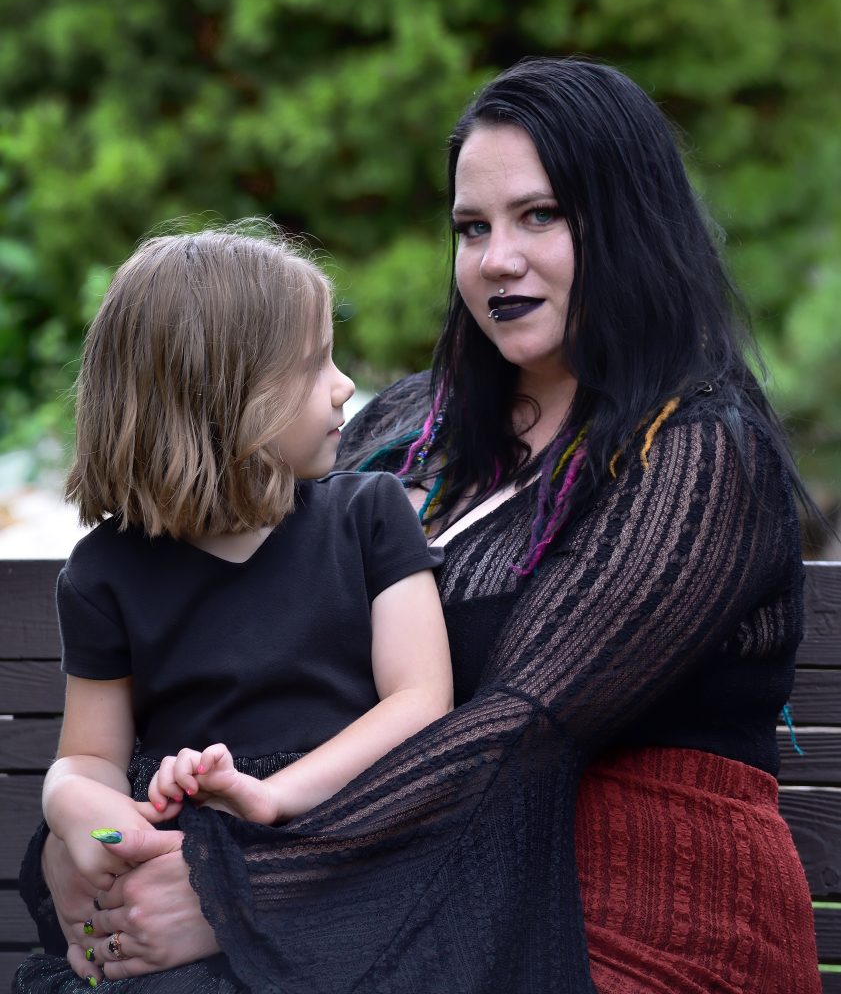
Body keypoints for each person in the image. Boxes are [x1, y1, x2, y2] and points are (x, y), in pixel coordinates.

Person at [19, 57, 822, 993]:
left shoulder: (695, 451)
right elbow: (228, 614)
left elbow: (525, 726)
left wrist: (240, 892)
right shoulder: (408, 429)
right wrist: (90, 848)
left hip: (627, 918)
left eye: (540, 216)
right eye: (470, 227)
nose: (495, 260)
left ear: (626, 223)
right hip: (391, 893)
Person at [17, 225, 452, 989]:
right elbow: (89, 756)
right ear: (226, 395)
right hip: (184, 845)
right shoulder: (106, 573)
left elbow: (421, 699)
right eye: (315, 363)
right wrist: (77, 809)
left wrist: (272, 796)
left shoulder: (368, 517)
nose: (345, 384)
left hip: (338, 841)